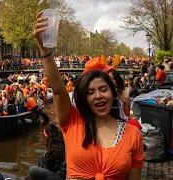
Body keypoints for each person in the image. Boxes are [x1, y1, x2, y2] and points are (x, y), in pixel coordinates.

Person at [34, 12, 144, 180]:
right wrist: (44, 49)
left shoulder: (133, 134)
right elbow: (57, 88)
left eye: (103, 89)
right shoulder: (72, 122)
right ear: (83, 98)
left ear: (113, 93)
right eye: (90, 92)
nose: (98, 96)